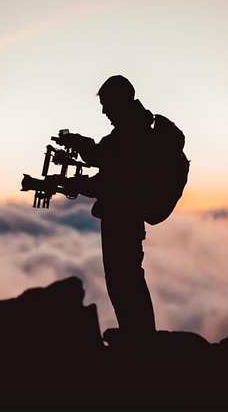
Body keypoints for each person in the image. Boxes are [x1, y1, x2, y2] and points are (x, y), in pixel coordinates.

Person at [56, 75, 157, 341]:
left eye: (106, 104)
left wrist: (75, 166)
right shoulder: (135, 128)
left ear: (119, 101)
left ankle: (139, 340)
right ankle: (138, 335)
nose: (103, 111)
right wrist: (79, 146)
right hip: (126, 216)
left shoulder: (130, 133)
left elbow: (106, 169)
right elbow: (106, 162)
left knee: (124, 279)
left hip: (122, 218)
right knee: (127, 277)